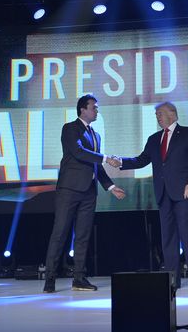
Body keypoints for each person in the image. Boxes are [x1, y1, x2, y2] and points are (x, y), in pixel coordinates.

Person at [109, 102, 188, 289]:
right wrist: (120, 161)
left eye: (160, 113)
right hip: (163, 193)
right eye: (156, 114)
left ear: (173, 114)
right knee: (168, 237)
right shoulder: (154, 139)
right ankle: (173, 280)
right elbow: (141, 159)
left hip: (184, 192)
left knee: (187, 234)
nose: (158, 117)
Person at [43, 94, 126, 293]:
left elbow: (95, 165)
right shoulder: (70, 128)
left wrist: (110, 186)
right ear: (83, 109)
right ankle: (50, 279)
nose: (97, 111)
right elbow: (79, 152)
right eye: (94, 107)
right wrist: (106, 158)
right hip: (69, 190)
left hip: (89, 192)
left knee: (82, 236)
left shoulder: (96, 135)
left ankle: (79, 278)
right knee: (60, 233)